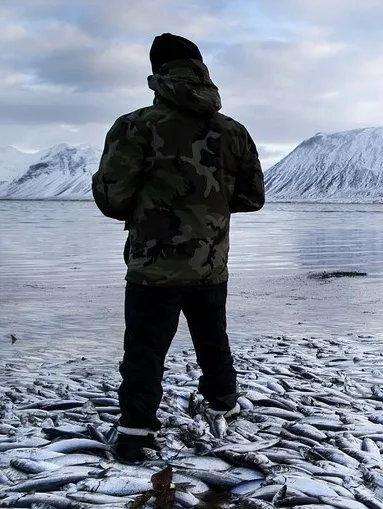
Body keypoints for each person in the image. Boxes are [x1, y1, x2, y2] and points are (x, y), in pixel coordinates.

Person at [92, 33, 265, 463]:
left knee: (145, 350)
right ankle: (224, 403)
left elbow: (113, 199)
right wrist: (208, 213)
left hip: (154, 265)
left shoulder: (135, 126)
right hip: (210, 263)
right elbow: (252, 197)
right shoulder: (234, 132)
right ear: (200, 68)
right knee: (212, 338)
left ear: (157, 73)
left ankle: (135, 433)